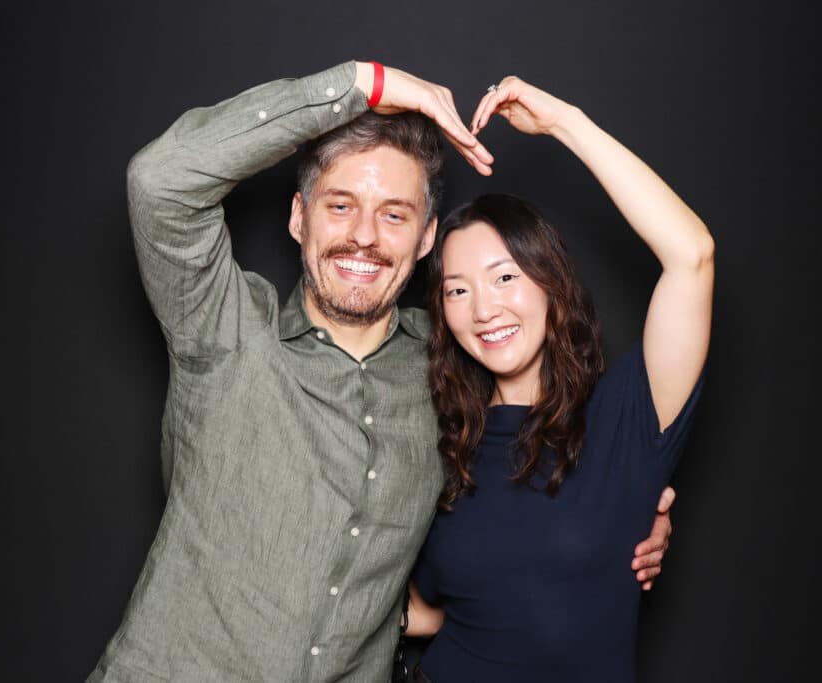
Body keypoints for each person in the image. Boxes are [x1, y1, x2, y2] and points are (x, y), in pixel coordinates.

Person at [89, 61, 675, 682]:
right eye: (340, 205)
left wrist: (635, 506)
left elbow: (554, 452)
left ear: (425, 239)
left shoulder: (454, 368)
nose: (364, 237)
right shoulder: (223, 328)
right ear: (298, 217)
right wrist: (361, 85)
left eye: (394, 215)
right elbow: (159, 182)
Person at [404, 77, 714, 682]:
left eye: (504, 277)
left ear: (549, 280)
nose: (484, 309)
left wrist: (565, 122)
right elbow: (431, 610)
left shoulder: (627, 417)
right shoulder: (444, 443)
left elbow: (691, 255)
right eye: (457, 291)